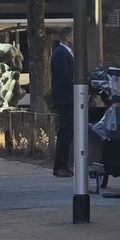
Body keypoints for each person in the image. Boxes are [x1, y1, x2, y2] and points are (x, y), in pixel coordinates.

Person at [50, 28, 75, 178]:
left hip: (67, 98)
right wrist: (76, 85)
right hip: (65, 99)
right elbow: (63, 76)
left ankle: (64, 165)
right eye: (72, 35)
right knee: (65, 132)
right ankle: (59, 166)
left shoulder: (66, 52)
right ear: (67, 37)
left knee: (68, 132)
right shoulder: (60, 53)